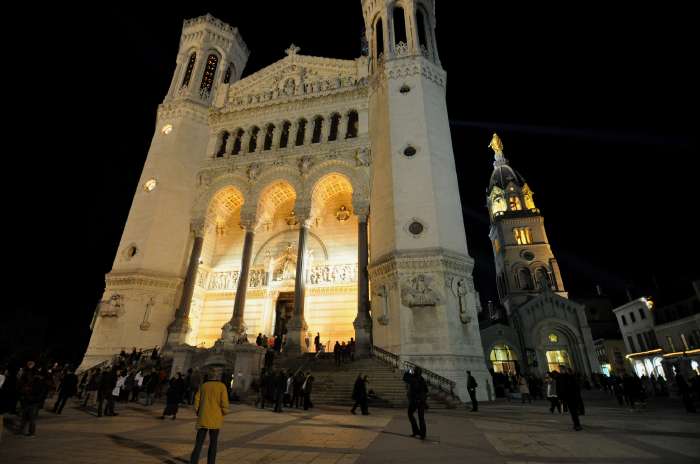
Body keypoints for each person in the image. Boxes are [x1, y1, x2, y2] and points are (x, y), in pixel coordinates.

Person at [190, 368, 229, 464]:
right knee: (213, 443)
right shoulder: (221, 386)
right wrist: (224, 412)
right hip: (215, 418)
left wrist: (198, 412)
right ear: (218, 377)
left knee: (198, 443)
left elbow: (196, 400)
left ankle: (193, 461)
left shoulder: (204, 386)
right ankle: (211, 462)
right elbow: (224, 403)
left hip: (203, 417)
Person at [16, 361, 48, 437]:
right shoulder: (26, 375)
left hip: (33, 401)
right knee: (24, 416)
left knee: (31, 418)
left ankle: (31, 432)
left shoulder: (38, 379)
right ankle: (22, 430)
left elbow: (41, 391)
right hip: (27, 399)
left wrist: (37, 399)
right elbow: (21, 386)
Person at [404, 367, 428, 439]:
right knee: (421, 418)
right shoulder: (422, 379)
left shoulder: (412, 379)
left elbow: (405, 377)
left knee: (410, 414)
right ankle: (422, 434)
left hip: (415, 401)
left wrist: (409, 369)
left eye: (414, 371)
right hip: (422, 401)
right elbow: (426, 390)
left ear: (415, 372)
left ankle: (416, 431)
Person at [556, 366, 582, 431]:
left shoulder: (568, 377)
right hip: (568, 396)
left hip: (571, 396)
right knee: (573, 411)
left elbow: (576, 387)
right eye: (560, 370)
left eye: (561, 369)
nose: (561, 371)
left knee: (573, 411)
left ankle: (577, 425)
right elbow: (559, 388)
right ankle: (576, 424)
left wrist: (560, 397)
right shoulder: (561, 377)